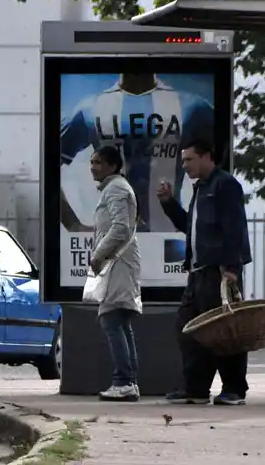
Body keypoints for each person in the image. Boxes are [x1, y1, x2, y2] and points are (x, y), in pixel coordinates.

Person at [59, 73, 213, 241]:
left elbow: (221, 175)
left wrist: (205, 228)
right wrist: (73, 224)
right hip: (113, 242)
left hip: (170, 241)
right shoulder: (90, 109)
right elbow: (48, 165)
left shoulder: (192, 107)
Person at [157, 137, 252, 406]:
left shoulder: (225, 185)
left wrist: (232, 269)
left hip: (218, 272)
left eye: (189, 159)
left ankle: (234, 389)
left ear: (207, 156)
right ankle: (195, 388)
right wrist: (168, 203)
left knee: (226, 333)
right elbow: (192, 227)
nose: (184, 165)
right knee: (188, 329)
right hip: (197, 273)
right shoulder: (201, 189)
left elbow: (235, 228)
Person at [89, 145, 142, 402]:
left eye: (98, 162)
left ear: (112, 166)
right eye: (92, 162)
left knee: (111, 319)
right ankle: (128, 380)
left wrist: (98, 255)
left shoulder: (117, 189)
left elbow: (120, 228)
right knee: (118, 320)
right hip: (118, 262)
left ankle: (124, 381)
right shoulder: (112, 189)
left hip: (118, 263)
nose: (92, 167)